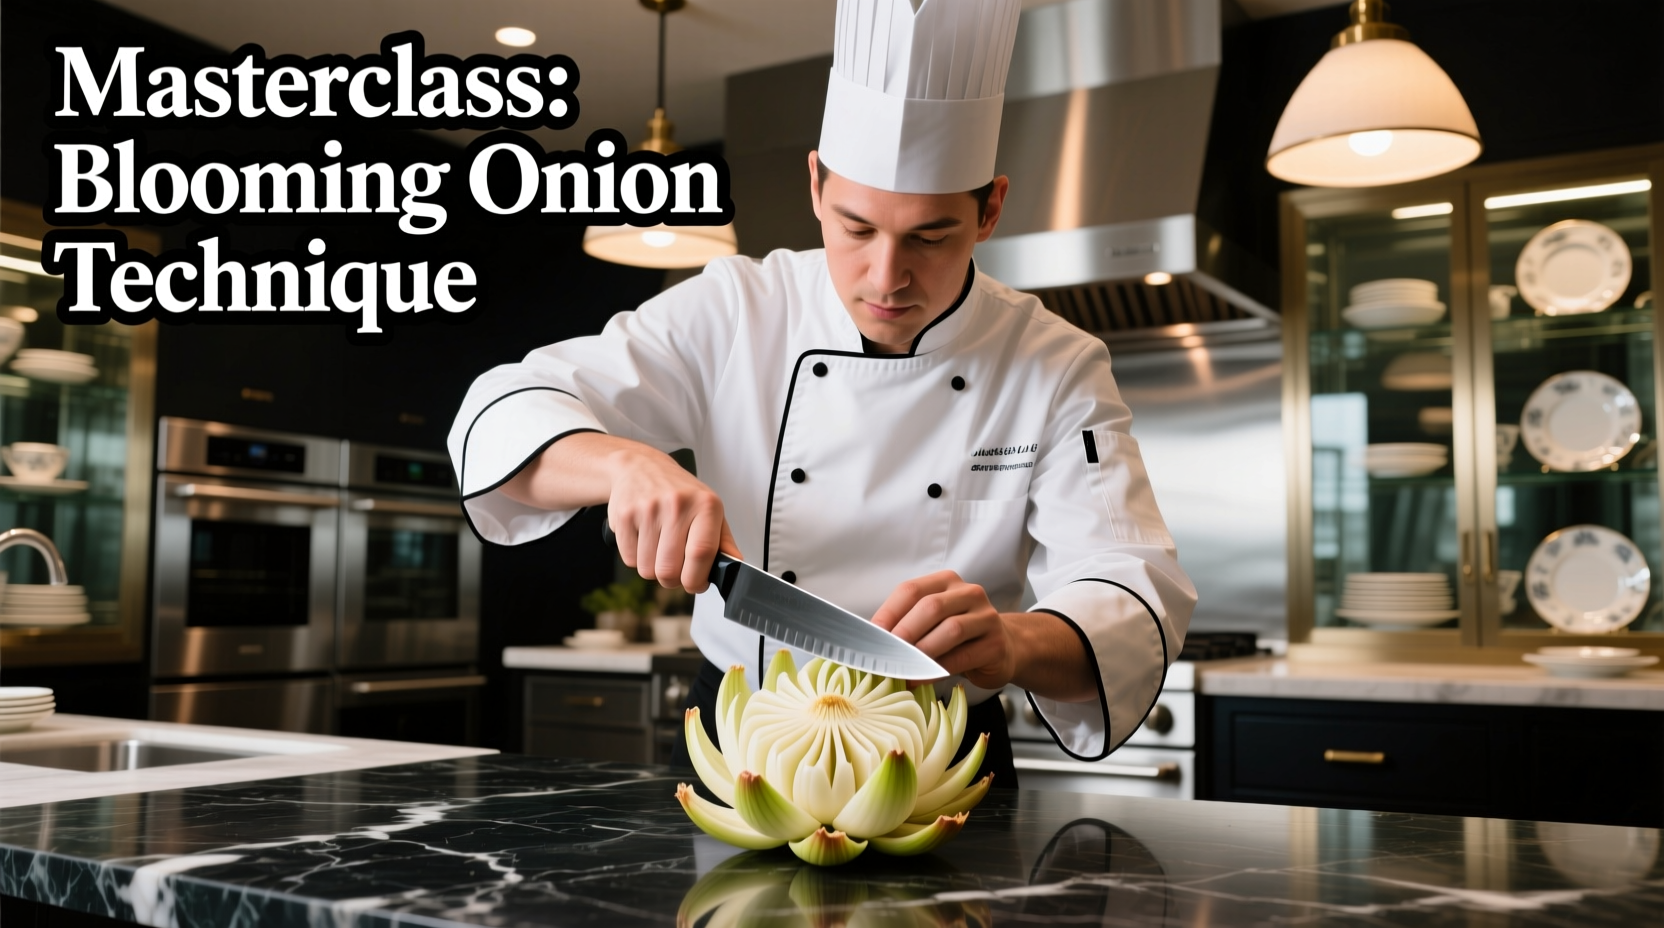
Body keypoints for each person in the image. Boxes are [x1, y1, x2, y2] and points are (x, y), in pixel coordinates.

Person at [448, 0, 1196, 782]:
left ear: (991, 210)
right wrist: (622, 465)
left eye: (930, 236)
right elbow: (501, 413)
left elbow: (1131, 586)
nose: (887, 278)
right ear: (814, 185)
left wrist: (1012, 643)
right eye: (857, 228)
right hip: (745, 739)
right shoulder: (736, 307)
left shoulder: (1055, 361)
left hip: (938, 750)